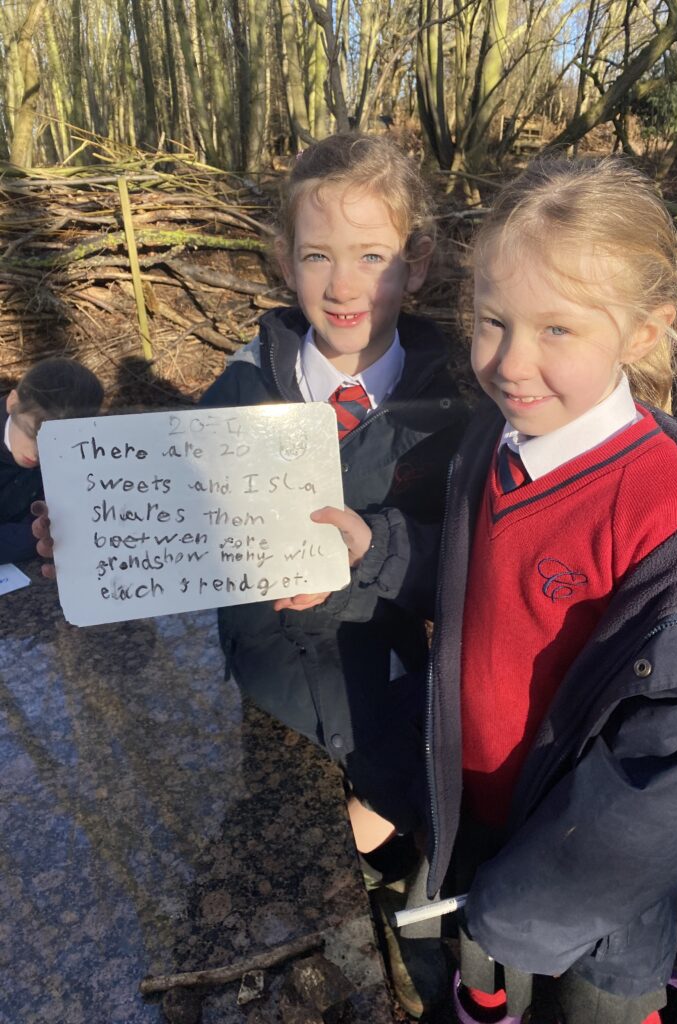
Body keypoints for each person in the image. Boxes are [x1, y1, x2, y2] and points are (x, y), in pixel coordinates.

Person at [308, 158, 677, 1024]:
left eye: (557, 329)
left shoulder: (675, 525)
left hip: (593, 887)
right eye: (492, 320)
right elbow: (484, 585)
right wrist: (377, 549)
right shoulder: (500, 441)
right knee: (487, 968)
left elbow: (671, 785)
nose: (511, 362)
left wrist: (527, 904)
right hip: (480, 826)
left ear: (643, 331)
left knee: (593, 1002)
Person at [197, 132, 467, 1010]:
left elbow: (474, 575)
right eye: (318, 256)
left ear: (418, 261)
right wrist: (79, 536)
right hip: (271, 712)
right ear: (283, 259)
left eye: (373, 257)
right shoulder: (236, 396)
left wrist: (371, 557)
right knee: (286, 949)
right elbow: (174, 535)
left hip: (396, 724)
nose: (344, 286)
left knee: (404, 934)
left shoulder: (465, 409)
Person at [1, 358, 103, 565]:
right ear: (12, 402)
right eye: (32, 434)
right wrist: (37, 534)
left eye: (58, 442)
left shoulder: (79, 450)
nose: (39, 453)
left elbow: (65, 517)